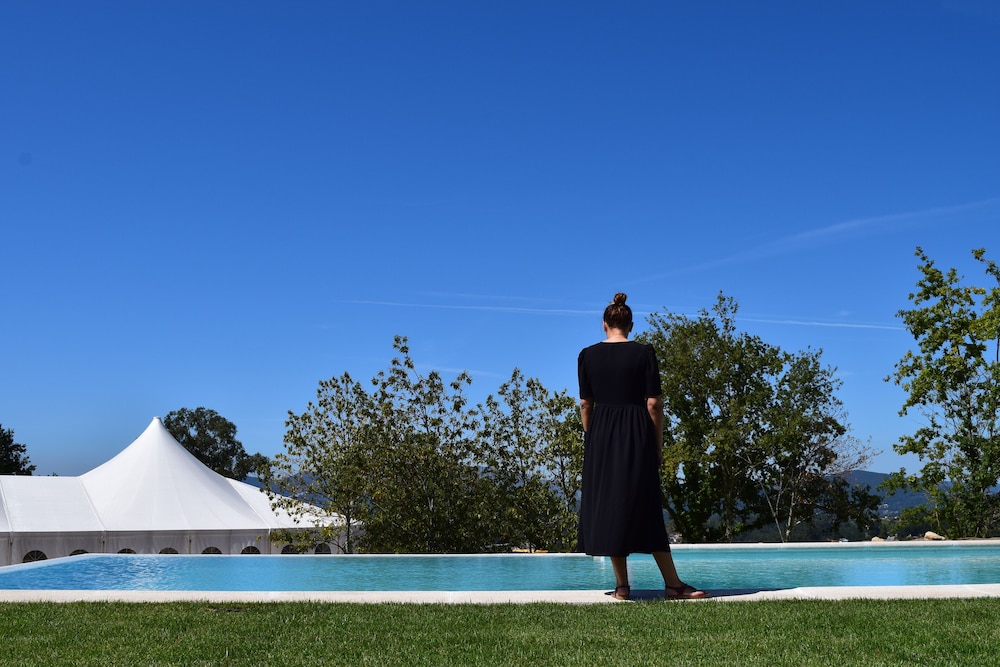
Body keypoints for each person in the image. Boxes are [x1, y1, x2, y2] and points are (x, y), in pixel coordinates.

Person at [577, 292, 708, 601]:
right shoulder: (644, 353)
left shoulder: (586, 356)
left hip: (601, 434)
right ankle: (673, 584)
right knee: (647, 505)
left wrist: (592, 436)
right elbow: (654, 404)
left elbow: (585, 404)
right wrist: (656, 444)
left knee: (611, 506)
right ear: (631, 325)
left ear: (604, 324)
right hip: (636, 432)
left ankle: (622, 586)